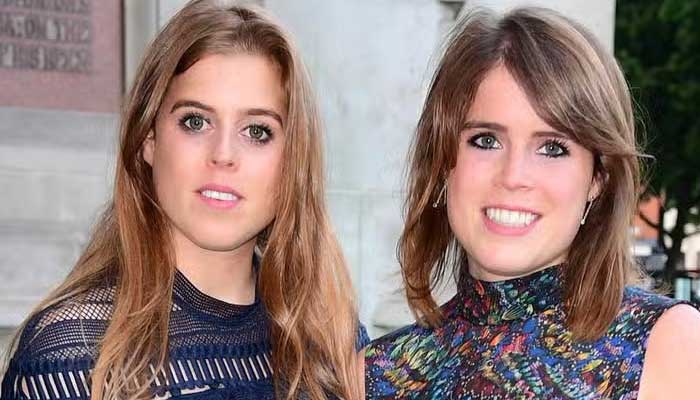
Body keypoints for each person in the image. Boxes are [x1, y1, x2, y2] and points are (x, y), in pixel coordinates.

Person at [2, 1, 367, 399]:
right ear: (149, 139)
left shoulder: (332, 341)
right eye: (196, 121)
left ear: (293, 159)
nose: (223, 155)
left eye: (257, 131)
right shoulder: (71, 359)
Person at [364, 7, 700, 399]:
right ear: (442, 164)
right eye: (486, 141)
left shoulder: (667, 347)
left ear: (598, 178)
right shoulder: (374, 375)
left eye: (552, 148)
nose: (513, 176)